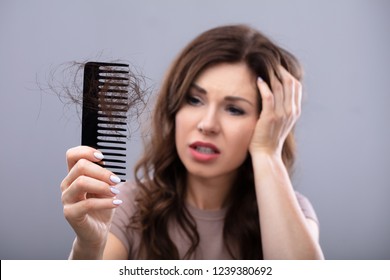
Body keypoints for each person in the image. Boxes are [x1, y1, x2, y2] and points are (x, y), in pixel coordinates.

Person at [60, 24, 324, 260]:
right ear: (174, 108)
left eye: (234, 109)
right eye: (195, 100)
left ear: (270, 122)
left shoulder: (291, 211)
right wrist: (89, 245)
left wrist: (267, 151)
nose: (207, 124)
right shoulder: (125, 205)